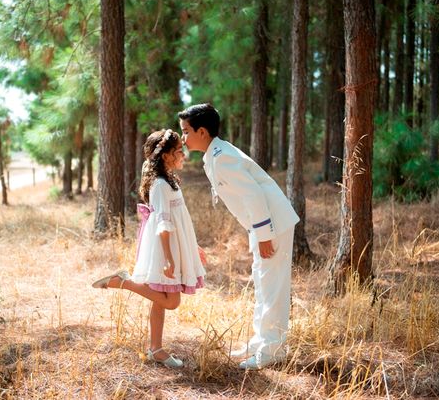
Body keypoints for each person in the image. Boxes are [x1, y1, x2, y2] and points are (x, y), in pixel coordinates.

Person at [178, 103, 299, 371]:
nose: (183, 139)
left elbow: (253, 195)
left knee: (273, 287)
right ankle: (260, 341)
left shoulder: (222, 157)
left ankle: (272, 349)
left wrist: (265, 234)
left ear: (202, 131)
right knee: (261, 282)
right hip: (261, 225)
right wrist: (257, 232)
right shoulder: (215, 154)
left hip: (272, 224)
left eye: (186, 132)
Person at [92, 129, 206, 369]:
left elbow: (179, 220)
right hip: (165, 248)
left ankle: (157, 349)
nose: (183, 154)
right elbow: (164, 224)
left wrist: (193, 247)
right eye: (178, 151)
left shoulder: (170, 181)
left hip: (175, 244)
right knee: (171, 301)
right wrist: (168, 259)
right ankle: (122, 282)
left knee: (161, 299)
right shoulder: (161, 186)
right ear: (165, 156)